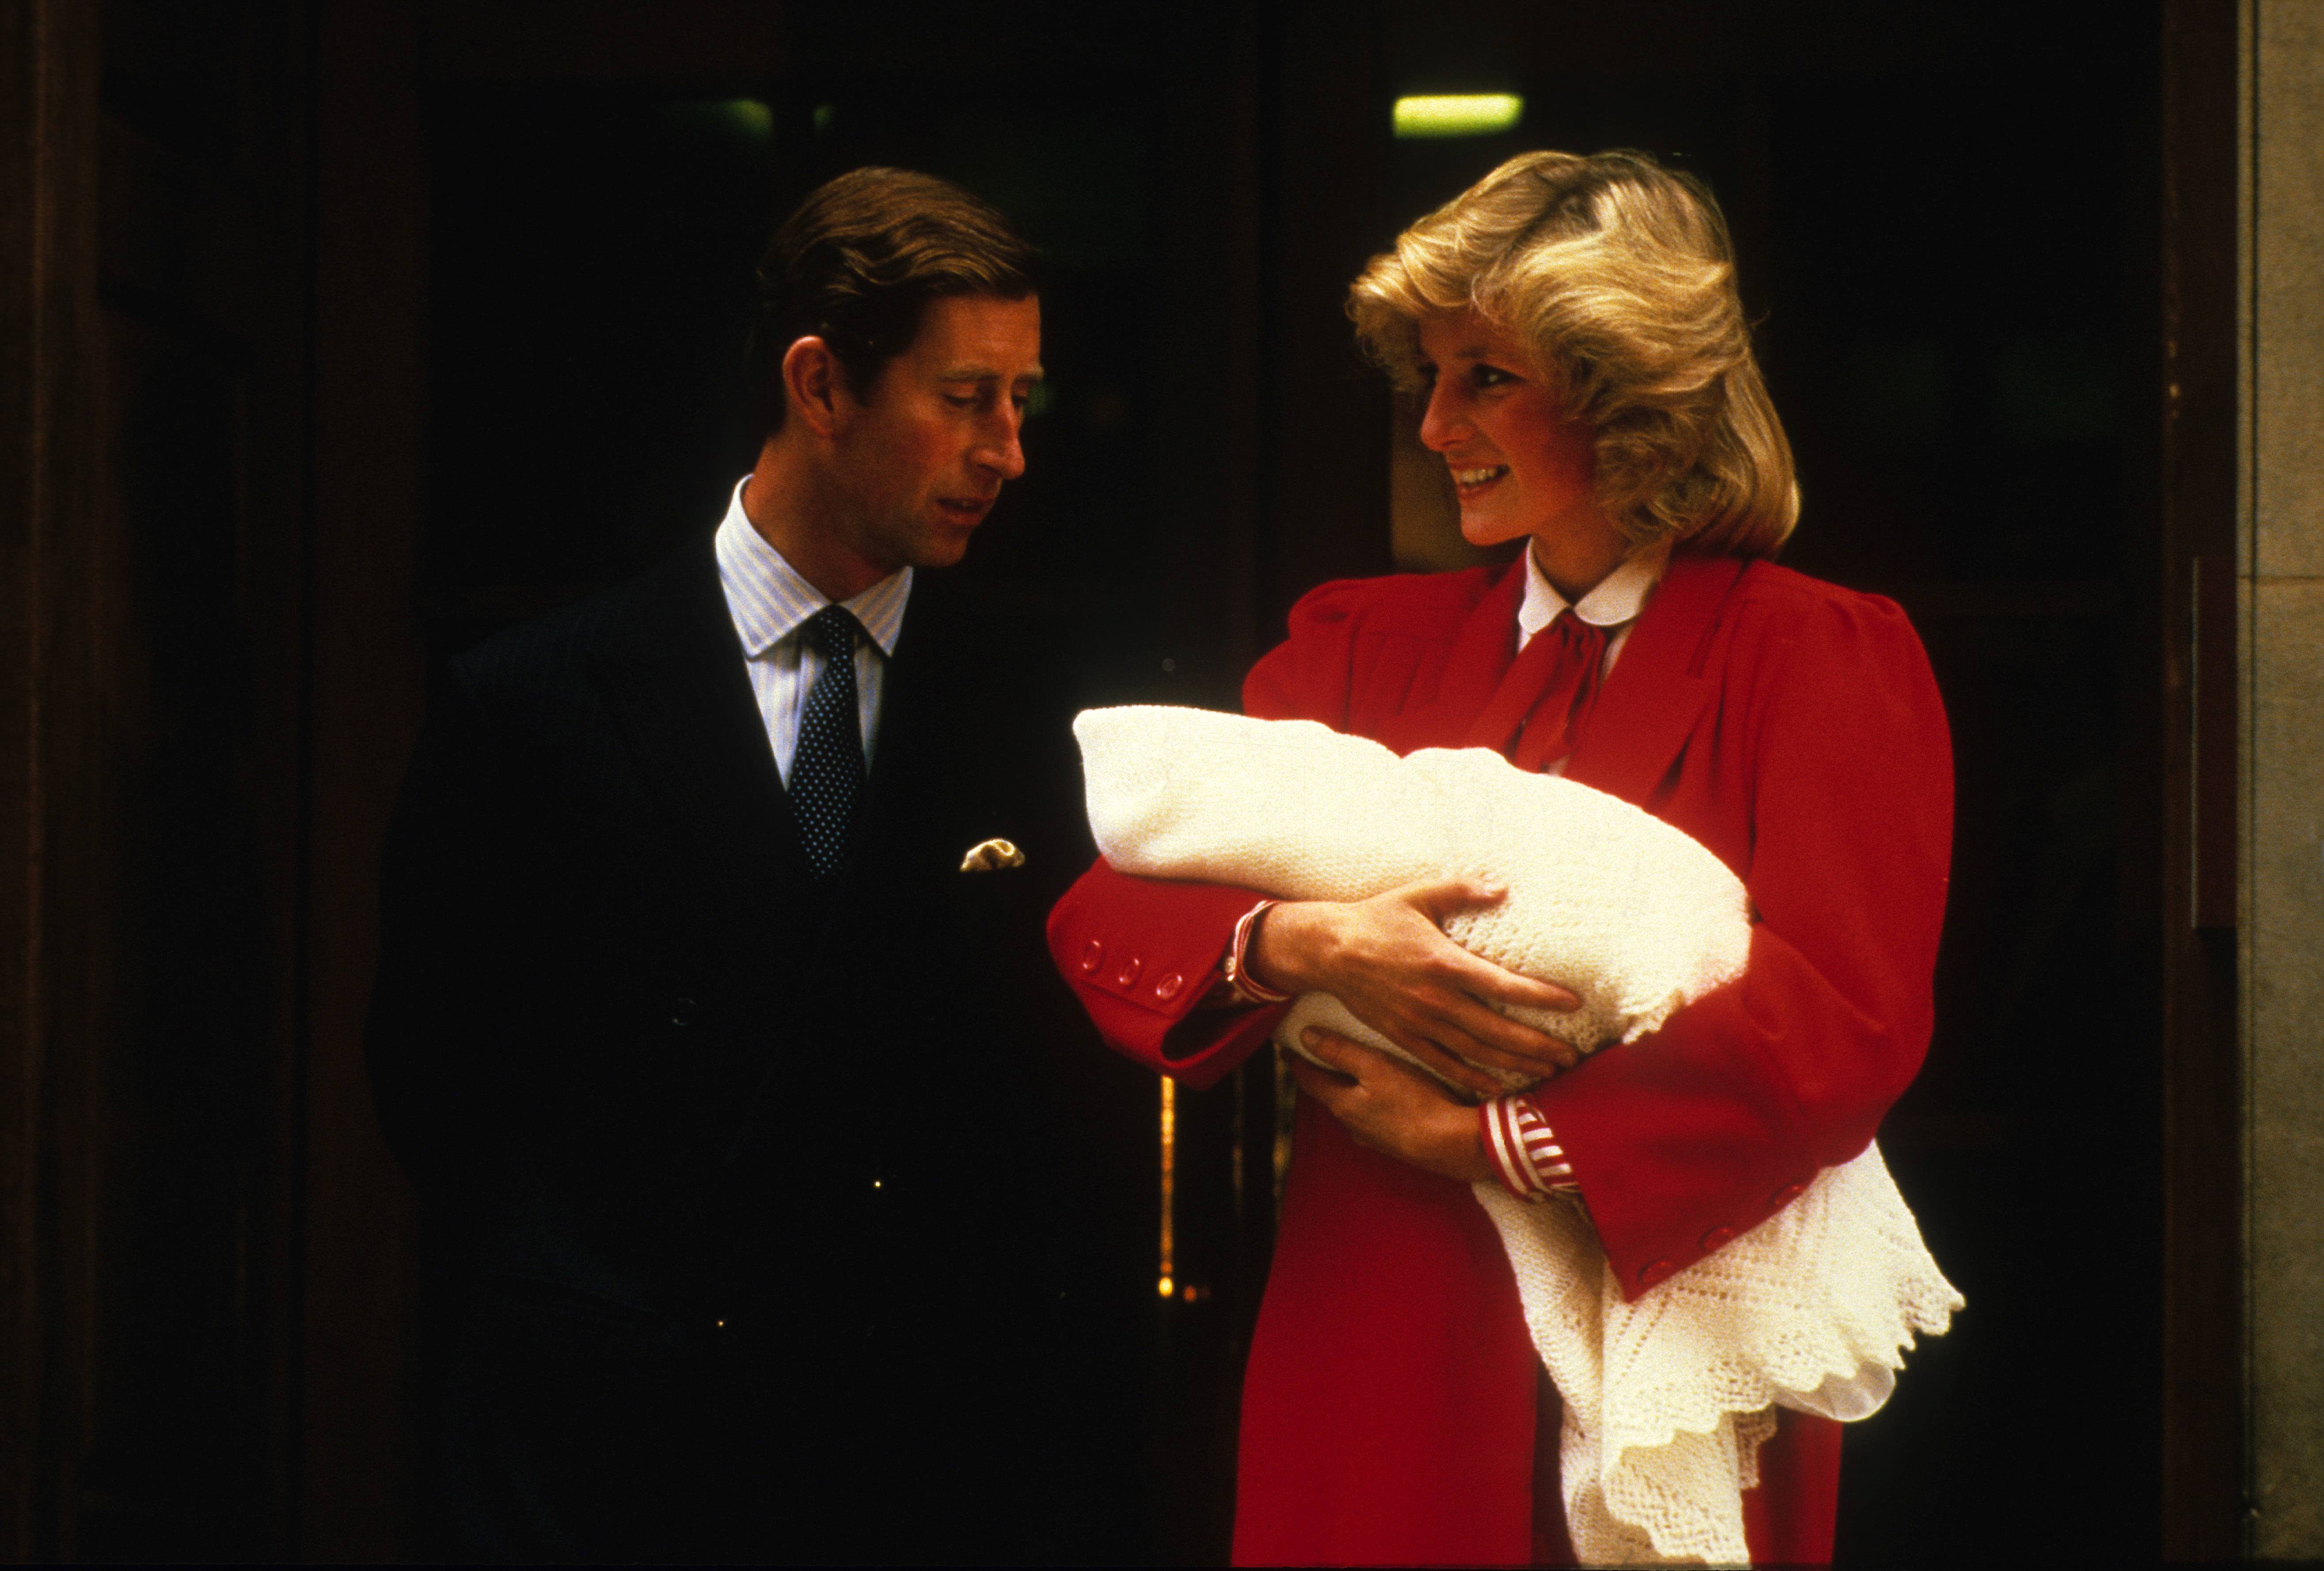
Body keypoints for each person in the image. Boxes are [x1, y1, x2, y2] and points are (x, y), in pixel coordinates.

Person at [1047, 149, 1953, 1566]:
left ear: (1621, 390)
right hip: (1376, 1325)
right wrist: (1305, 945)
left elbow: (1845, 1020)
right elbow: (1113, 892)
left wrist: (1497, 1140)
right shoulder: (1360, 643)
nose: (1431, 424)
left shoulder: (1821, 653)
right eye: (1428, 375)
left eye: (1484, 377)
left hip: (1673, 1319)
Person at [368, 167, 1149, 1563]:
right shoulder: (529, 704)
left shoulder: (1052, 724)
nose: (1009, 450)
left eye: (1021, 400)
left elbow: (1070, 1145)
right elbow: (441, 1092)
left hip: (931, 1474)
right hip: (609, 1472)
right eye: (967, 397)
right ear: (820, 383)